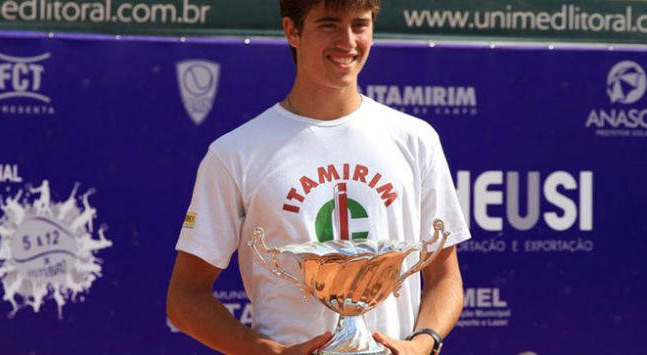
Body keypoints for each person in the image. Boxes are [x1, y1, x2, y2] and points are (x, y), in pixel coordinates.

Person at [166, 0, 471, 354]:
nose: (348, 41)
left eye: (360, 25)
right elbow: (185, 298)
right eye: (329, 25)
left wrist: (422, 344)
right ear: (292, 31)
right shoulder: (236, 152)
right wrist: (271, 352)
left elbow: (445, 277)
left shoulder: (416, 139)